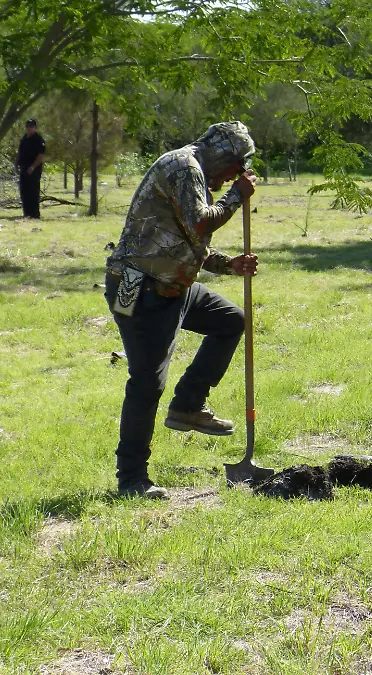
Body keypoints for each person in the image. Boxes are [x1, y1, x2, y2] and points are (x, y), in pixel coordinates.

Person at [104, 121, 259, 499]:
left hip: (172, 286)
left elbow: (179, 241)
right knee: (146, 382)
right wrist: (237, 196)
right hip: (139, 288)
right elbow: (200, 222)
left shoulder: (193, 172)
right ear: (223, 156)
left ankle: (188, 405)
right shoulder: (185, 167)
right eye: (236, 167)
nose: (234, 176)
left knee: (231, 320)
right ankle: (132, 480)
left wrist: (228, 265)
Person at [15, 119, 46, 219]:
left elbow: (40, 155)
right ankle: (27, 213)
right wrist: (17, 164)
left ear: (35, 127)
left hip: (34, 168)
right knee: (24, 190)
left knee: (33, 191)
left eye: (31, 126)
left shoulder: (38, 139)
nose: (29, 128)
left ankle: (34, 214)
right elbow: (20, 152)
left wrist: (32, 167)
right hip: (24, 167)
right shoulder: (24, 138)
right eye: (28, 126)